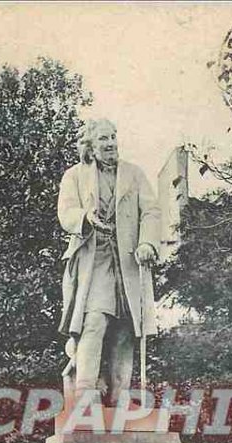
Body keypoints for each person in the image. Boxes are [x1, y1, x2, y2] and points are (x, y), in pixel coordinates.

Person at [57, 119, 160, 403]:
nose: (112, 143)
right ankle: (85, 393)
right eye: (104, 138)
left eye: (114, 136)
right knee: (95, 322)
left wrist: (147, 242)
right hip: (94, 258)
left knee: (126, 329)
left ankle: (120, 396)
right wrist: (85, 219)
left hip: (128, 261)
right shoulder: (75, 176)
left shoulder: (134, 174)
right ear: (90, 145)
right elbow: (66, 212)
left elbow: (151, 211)